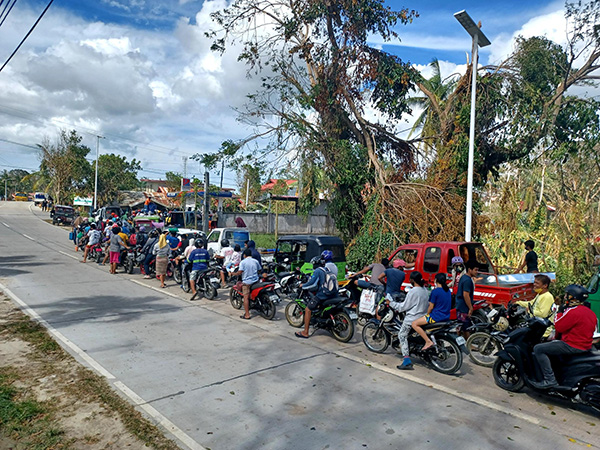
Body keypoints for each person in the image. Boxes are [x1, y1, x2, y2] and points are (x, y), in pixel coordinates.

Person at [531, 285, 597, 389]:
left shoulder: (573, 311)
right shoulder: (590, 312)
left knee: (538, 349)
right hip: (585, 345)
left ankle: (550, 380)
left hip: (572, 345)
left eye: (567, 295)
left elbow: (559, 326)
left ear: (572, 297)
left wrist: (560, 312)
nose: (565, 296)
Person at [386, 271, 429, 370]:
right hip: (423, 317)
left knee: (401, 335)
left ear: (412, 280)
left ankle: (406, 360)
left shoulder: (413, 291)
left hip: (412, 319)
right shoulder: (425, 290)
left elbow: (402, 308)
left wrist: (390, 303)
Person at [295, 256, 339, 339]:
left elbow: (312, 283)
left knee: (308, 309)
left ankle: (305, 332)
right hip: (334, 293)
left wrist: (302, 286)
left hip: (324, 294)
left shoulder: (318, 271)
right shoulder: (327, 270)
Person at [411, 273, 452, 350]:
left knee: (414, 324)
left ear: (436, 280)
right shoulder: (448, 291)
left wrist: (426, 314)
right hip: (446, 316)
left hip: (436, 317)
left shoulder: (435, 292)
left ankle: (428, 341)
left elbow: (431, 307)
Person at [234, 248, 262, 320]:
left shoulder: (243, 262)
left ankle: (247, 315)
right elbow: (259, 270)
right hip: (256, 281)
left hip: (247, 283)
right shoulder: (255, 261)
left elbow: (240, 272)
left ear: (245, 255)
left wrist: (234, 274)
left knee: (245, 298)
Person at [455, 259, 479, 337]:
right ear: (469, 269)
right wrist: (470, 307)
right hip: (463, 306)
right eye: (475, 270)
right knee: (465, 327)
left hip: (460, 305)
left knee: (462, 326)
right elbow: (466, 295)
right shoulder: (467, 281)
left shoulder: (464, 278)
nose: (476, 272)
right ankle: (468, 344)